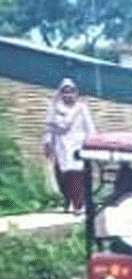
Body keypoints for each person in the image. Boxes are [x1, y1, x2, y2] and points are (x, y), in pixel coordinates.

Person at [42, 78, 95, 213]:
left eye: (71, 92)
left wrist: (93, 144)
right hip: (61, 147)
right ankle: (68, 202)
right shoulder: (54, 108)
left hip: (78, 147)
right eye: (65, 92)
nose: (68, 95)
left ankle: (80, 205)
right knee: (62, 177)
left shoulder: (81, 108)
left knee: (77, 175)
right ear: (61, 93)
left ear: (76, 93)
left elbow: (90, 128)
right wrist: (48, 143)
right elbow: (49, 128)